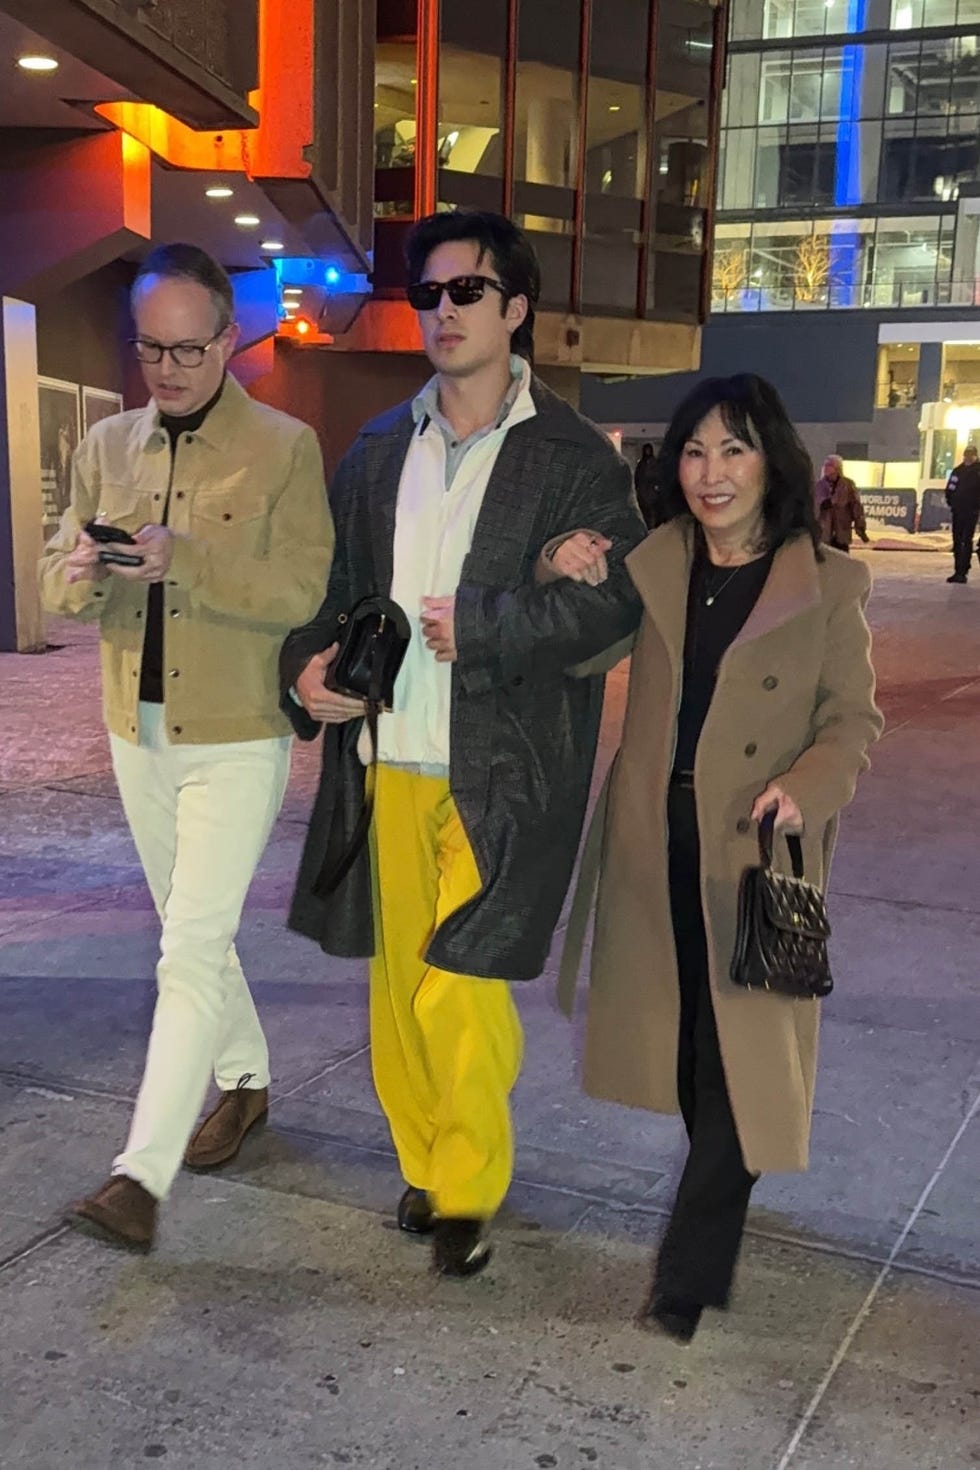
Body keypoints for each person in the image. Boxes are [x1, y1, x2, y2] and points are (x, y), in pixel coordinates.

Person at [280, 209, 645, 1278]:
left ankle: (469, 1190)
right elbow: (330, 593)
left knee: (462, 979)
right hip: (384, 756)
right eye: (427, 295)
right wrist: (306, 672)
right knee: (398, 988)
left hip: (510, 767)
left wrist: (482, 621)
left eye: (465, 293)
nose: (441, 311)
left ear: (516, 309)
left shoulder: (574, 458)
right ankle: (426, 1165)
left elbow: (614, 612)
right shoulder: (378, 450)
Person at [553, 373, 882, 1341]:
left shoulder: (823, 585)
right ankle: (718, 1201)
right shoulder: (656, 562)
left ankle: (686, 1275)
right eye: (693, 451)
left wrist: (806, 788)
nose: (709, 472)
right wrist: (553, 565)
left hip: (757, 853)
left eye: (732, 449)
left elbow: (850, 723)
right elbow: (579, 651)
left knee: (737, 1064)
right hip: (657, 844)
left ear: (769, 460)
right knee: (694, 1048)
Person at [39, 243, 334, 1252]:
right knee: (188, 929)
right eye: (148, 350)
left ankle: (139, 1176)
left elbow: (301, 591)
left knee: (188, 947)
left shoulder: (285, 447)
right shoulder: (107, 446)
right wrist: (82, 567)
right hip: (136, 725)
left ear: (226, 341)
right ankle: (246, 1083)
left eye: (186, 350)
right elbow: (55, 585)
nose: (164, 370)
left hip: (237, 736)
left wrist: (187, 561)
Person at [815, 455, 869, 551]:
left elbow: (856, 508)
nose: (826, 468)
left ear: (837, 468)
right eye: (825, 465)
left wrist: (860, 529)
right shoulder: (819, 486)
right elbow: (816, 507)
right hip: (825, 534)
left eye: (829, 465)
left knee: (842, 560)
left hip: (842, 532)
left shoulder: (848, 486)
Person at [944, 443, 980, 584]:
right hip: (958, 510)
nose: (968, 457)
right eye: (966, 455)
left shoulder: (978, 471)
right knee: (957, 541)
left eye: (971, 455)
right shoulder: (958, 471)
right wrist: (951, 501)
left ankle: (962, 571)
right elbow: (950, 488)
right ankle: (958, 570)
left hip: (971, 511)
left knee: (966, 540)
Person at [633, 442, 660, 528]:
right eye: (646, 450)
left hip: (652, 493)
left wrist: (656, 487)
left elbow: (658, 476)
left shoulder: (655, 463)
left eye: (648, 450)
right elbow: (637, 477)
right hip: (642, 492)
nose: (647, 452)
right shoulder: (641, 464)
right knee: (643, 512)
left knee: (652, 512)